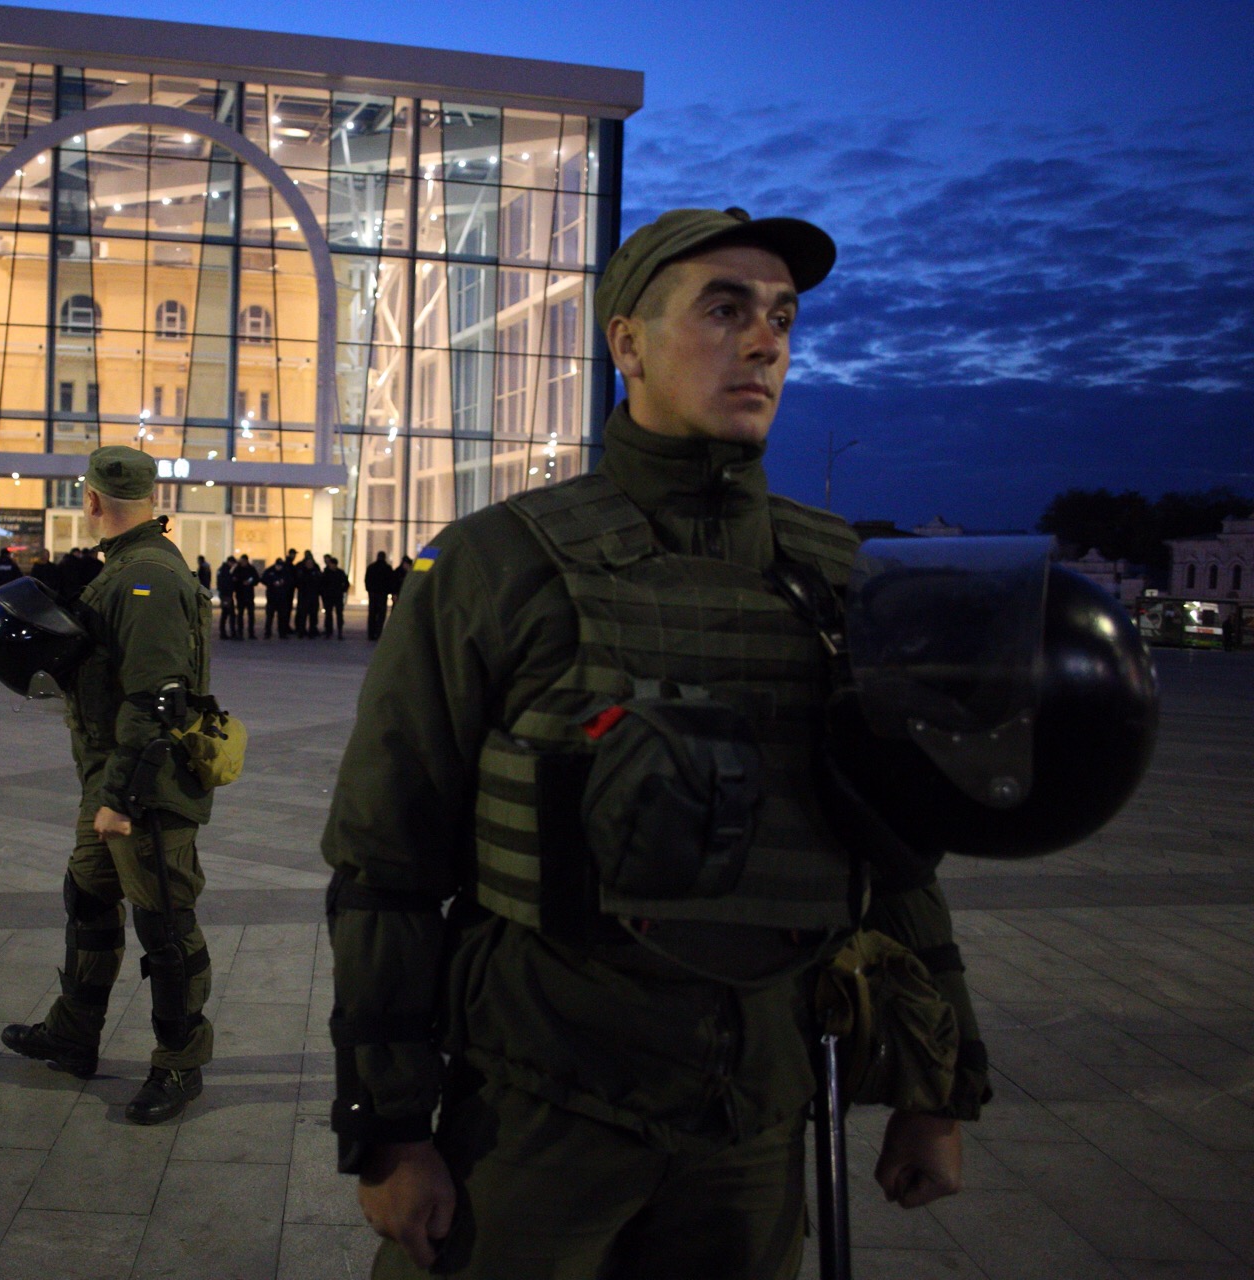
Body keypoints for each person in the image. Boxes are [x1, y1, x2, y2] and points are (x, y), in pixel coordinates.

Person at [324, 207, 989, 1279]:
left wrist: (934, 1088)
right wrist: (391, 1129)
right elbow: (385, 863)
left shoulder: (845, 581)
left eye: (781, 315)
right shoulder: (503, 564)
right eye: (724, 309)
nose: (765, 341)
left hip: (755, 1128)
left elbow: (898, 860)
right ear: (625, 341)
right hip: (539, 1114)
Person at [2, 445, 219, 1125]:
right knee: (89, 898)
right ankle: (73, 1035)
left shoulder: (146, 578)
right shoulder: (129, 569)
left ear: (93, 502)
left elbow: (158, 700)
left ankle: (180, 1064)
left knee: (165, 926)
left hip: (145, 787)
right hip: (113, 778)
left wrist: (121, 801)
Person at [364, 550, 394, 641]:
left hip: (373, 593)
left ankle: (371, 634)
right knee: (381, 615)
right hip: (382, 594)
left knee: (372, 614)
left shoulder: (371, 567)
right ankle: (378, 633)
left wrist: (369, 590)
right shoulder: (387, 568)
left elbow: (367, 580)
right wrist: (389, 591)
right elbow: (390, 581)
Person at [261, 556, 292, 639]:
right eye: (278, 565)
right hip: (272, 597)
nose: (279, 567)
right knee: (270, 616)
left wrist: (283, 584)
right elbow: (263, 579)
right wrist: (271, 583)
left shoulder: (285, 572)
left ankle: (282, 633)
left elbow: (290, 582)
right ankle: (268, 633)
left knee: (282, 617)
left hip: (282, 597)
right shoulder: (270, 571)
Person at [294, 550, 322, 638]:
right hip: (303, 596)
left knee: (313, 615)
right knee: (303, 615)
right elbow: (297, 582)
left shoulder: (316, 570)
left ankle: (312, 631)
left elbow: (320, 582)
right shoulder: (301, 569)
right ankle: (301, 631)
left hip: (313, 596)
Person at [320, 554, 349, 639]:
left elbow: (346, 583)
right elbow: (322, 584)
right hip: (330, 596)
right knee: (329, 614)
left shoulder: (339, 573)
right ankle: (329, 631)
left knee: (339, 614)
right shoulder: (327, 573)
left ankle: (339, 631)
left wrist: (342, 590)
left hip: (337, 596)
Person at [232, 553, 259, 639]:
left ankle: (251, 633)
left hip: (249, 595)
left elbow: (256, 579)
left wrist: (250, 582)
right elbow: (234, 579)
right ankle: (240, 632)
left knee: (251, 615)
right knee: (240, 615)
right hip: (240, 595)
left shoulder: (251, 569)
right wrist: (241, 583)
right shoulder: (238, 569)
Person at [216, 555, 238, 640]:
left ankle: (224, 633)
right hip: (226, 595)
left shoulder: (223, 570)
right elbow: (225, 583)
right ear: (230, 562)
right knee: (228, 614)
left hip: (225, 595)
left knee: (226, 614)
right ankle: (227, 633)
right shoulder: (225, 571)